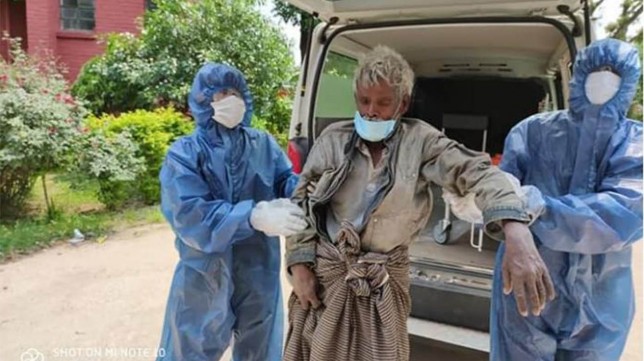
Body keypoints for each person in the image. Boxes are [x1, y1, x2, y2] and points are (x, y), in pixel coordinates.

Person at [283, 45, 555, 361]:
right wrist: (299, 265)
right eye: (364, 100)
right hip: (327, 276)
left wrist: (515, 226)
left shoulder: (421, 141)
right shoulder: (333, 139)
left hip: (384, 280)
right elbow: (300, 200)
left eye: (384, 103)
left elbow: (476, 171)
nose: (371, 111)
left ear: (403, 103)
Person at [492, 38, 643, 361]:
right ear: (578, 74)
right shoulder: (531, 132)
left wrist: (534, 208)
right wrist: (509, 219)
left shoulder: (636, 143)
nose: (603, 81)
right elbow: (499, 189)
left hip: (601, 297)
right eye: (595, 71)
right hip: (525, 281)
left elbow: (625, 215)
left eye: (613, 73)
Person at [156, 63, 307, 361]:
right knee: (190, 350)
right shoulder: (184, 154)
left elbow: (285, 182)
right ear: (203, 99)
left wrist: (311, 187)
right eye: (223, 92)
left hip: (258, 274)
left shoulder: (260, 143)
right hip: (204, 278)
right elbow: (190, 216)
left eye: (237, 92)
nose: (232, 99)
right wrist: (254, 216)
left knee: (260, 349)